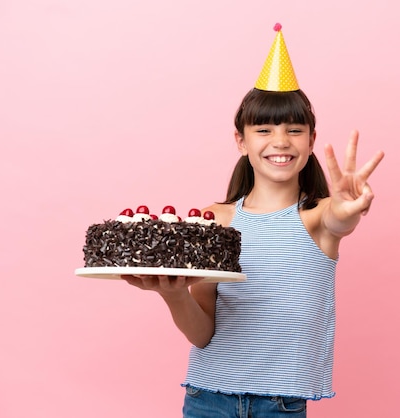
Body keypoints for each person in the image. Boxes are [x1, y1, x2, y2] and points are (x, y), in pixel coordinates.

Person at [122, 24, 384, 418]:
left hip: (279, 406)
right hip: (206, 399)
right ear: (241, 142)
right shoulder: (215, 221)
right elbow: (202, 333)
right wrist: (173, 293)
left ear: (311, 141)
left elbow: (337, 221)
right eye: (264, 130)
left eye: (294, 130)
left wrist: (347, 206)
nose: (280, 141)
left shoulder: (316, 219)